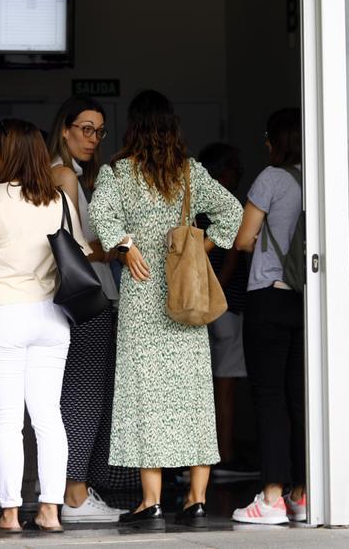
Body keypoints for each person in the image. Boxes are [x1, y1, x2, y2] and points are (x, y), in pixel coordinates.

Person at [89, 90, 242, 529]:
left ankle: (150, 501)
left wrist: (127, 246)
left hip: (142, 299)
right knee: (193, 398)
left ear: (133, 127)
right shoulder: (190, 172)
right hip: (185, 298)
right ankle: (196, 499)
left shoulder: (118, 173)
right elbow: (231, 211)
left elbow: (103, 218)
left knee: (143, 399)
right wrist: (201, 247)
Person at [0, 119, 79, 533]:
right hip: (51, 317)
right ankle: (50, 510)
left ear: (8, 153)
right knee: (48, 417)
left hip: (2, 313)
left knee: (5, 421)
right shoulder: (58, 200)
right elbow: (82, 251)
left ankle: (9, 513)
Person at [47, 96, 134, 523]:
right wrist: (120, 246)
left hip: (86, 298)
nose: (93, 138)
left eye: (99, 130)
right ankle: (75, 494)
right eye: (85, 128)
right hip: (87, 300)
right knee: (84, 395)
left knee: (84, 395)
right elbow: (75, 245)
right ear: (64, 129)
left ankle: (74, 488)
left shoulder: (76, 176)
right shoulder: (62, 175)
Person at [230, 108, 308, 524]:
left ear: (277, 140)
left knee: (268, 399)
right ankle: (302, 492)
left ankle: (272, 496)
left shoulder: (271, 178)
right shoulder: (318, 175)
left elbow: (243, 239)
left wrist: (260, 233)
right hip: (306, 301)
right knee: (299, 399)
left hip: (268, 298)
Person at [196, 142, 257, 481]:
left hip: (204, 304)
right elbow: (234, 255)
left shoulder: (197, 209)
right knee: (226, 385)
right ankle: (225, 455)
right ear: (221, 172)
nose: (239, 172)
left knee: (207, 383)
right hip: (226, 305)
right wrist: (215, 292)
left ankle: (205, 457)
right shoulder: (227, 206)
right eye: (235, 166)